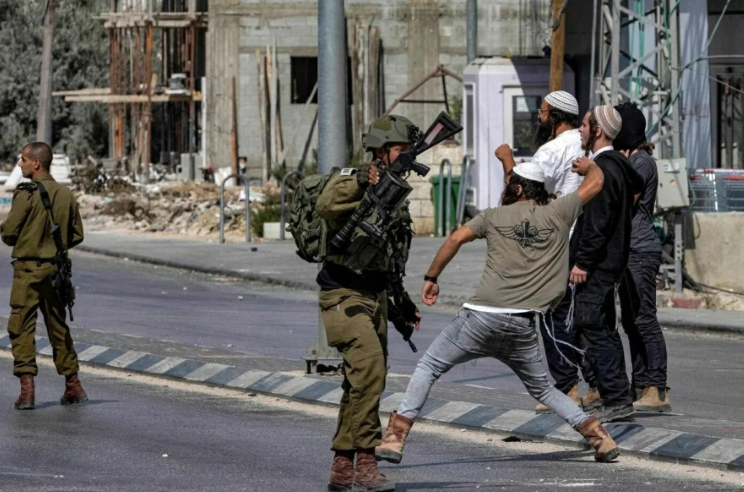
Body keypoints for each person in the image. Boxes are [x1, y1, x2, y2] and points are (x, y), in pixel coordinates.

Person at [375, 158, 621, 467]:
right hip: (523, 324)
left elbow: (455, 238)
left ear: (517, 189)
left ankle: (394, 438)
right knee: (543, 389)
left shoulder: (492, 216)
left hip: (479, 319)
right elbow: (597, 182)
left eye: (508, 185)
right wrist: (588, 167)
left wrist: (431, 277)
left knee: (428, 367)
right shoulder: (559, 211)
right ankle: (600, 438)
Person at [316, 115, 422, 492]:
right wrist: (363, 179)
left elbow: (390, 254)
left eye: (410, 151)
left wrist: (401, 304)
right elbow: (326, 204)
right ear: (381, 151)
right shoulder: (353, 179)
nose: (407, 157)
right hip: (342, 294)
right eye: (401, 150)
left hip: (375, 296)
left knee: (359, 381)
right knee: (371, 370)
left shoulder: (396, 192)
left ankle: (342, 465)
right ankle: (366, 460)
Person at [495, 90, 599, 414]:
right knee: (577, 317)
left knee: (553, 318)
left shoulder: (552, 150)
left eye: (542, 112)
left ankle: (567, 388)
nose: (539, 117)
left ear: (554, 115)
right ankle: (596, 384)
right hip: (584, 239)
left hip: (556, 242)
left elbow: (521, 189)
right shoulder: (585, 146)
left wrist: (506, 159)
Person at [570, 106, 644, 423]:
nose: (581, 130)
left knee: (592, 328)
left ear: (598, 131)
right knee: (602, 327)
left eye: (585, 125)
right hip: (610, 261)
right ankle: (617, 395)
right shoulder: (617, 165)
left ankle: (615, 397)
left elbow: (597, 223)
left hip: (598, 264)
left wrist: (582, 262)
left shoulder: (604, 170)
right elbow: (636, 188)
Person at [1, 142, 87, 410]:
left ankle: (27, 392)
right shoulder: (65, 194)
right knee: (58, 327)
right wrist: (53, 247)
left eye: (23, 159)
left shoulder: (25, 193)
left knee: (21, 326)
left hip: (27, 271)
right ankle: (73, 385)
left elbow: (9, 233)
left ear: (36, 163)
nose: (20, 164)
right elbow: (77, 234)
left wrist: (28, 240)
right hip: (55, 271)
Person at [613, 102, 671, 412]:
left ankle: (657, 388)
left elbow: (625, 199)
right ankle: (641, 383)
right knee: (631, 320)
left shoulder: (641, 162)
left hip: (641, 248)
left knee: (645, 319)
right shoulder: (632, 160)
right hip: (629, 249)